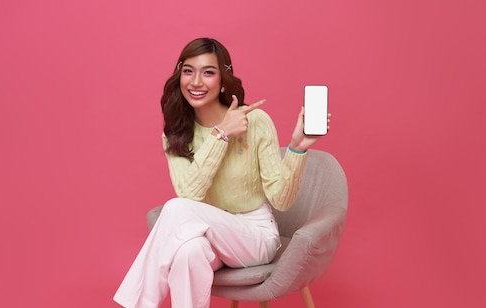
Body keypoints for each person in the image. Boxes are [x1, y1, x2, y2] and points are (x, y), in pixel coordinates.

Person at [113, 37, 330, 308]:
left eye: (208, 72)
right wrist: (222, 133)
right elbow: (190, 193)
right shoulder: (176, 134)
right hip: (207, 237)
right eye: (188, 71)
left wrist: (297, 149)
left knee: (175, 208)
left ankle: (139, 303)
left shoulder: (255, 121)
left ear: (223, 78)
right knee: (188, 253)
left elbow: (282, 201)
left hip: (255, 236)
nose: (196, 82)